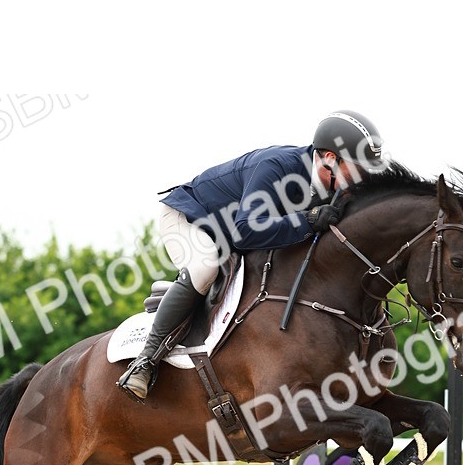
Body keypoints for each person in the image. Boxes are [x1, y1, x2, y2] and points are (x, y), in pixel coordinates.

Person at [117, 110, 385, 402]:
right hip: (191, 219)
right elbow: (245, 231)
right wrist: (307, 220)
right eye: (358, 168)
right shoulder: (277, 167)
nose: (362, 178)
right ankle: (145, 362)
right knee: (206, 267)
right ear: (330, 159)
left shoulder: (334, 188)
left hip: (234, 234)